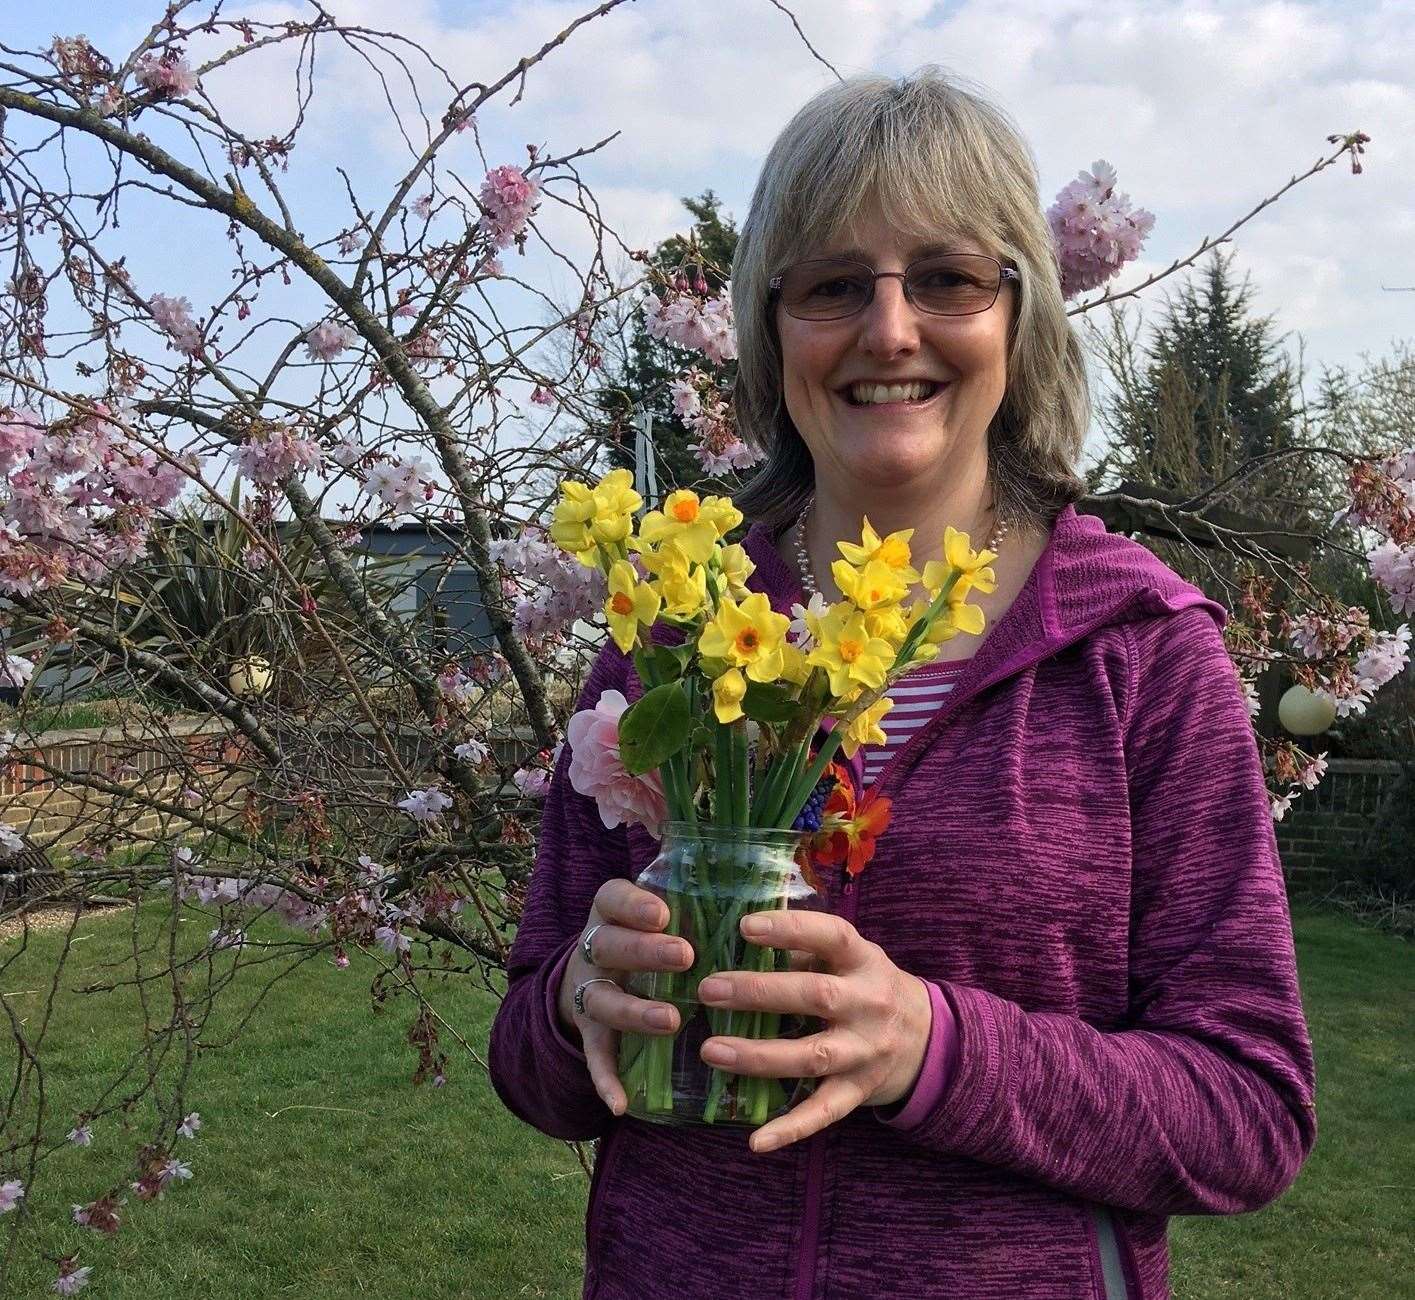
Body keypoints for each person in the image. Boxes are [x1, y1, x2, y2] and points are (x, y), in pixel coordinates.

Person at [489, 66, 1317, 1299]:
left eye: (945, 277)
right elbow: (529, 1065)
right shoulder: (673, 639)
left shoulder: (1142, 651)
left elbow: (1246, 1109)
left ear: (1016, 315)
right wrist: (572, 1003)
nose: (889, 331)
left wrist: (932, 1048)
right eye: (832, 285)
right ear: (773, 331)